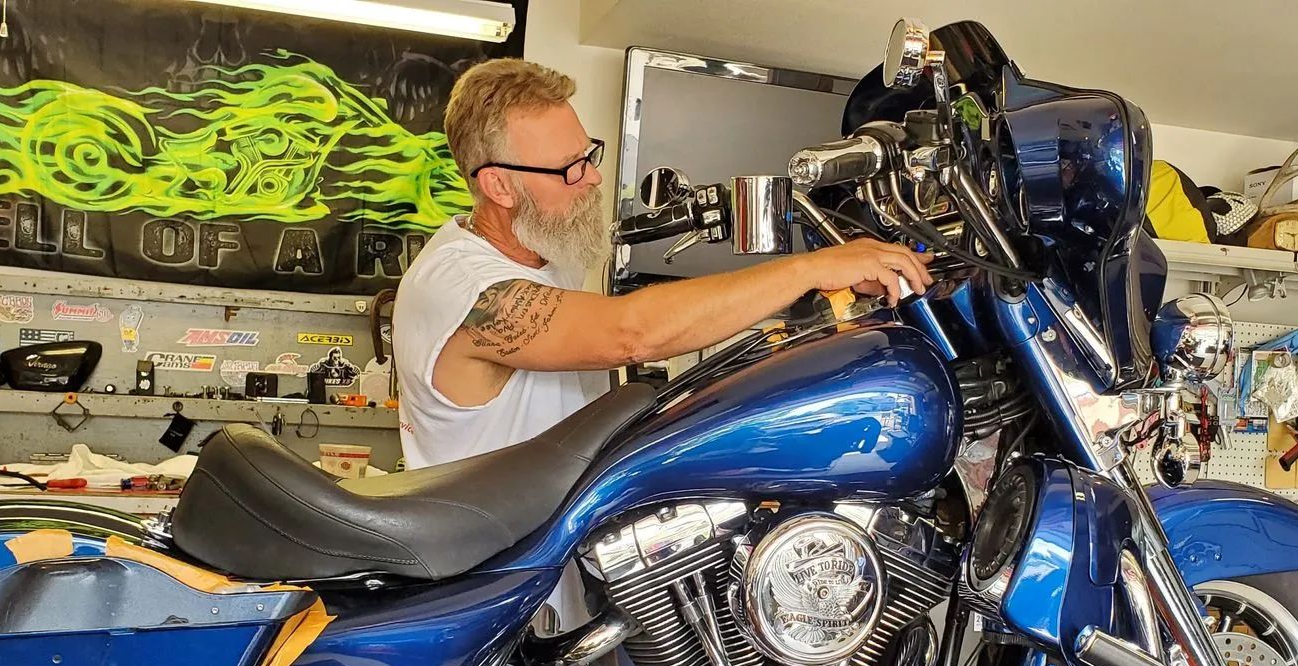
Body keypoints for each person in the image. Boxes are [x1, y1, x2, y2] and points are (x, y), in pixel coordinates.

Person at [391, 58, 932, 622]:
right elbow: (631, 333)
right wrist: (812, 267)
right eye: (569, 169)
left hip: (559, 577)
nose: (593, 178)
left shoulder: (537, 258)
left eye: (589, 155)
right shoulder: (461, 287)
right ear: (498, 184)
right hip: (499, 609)